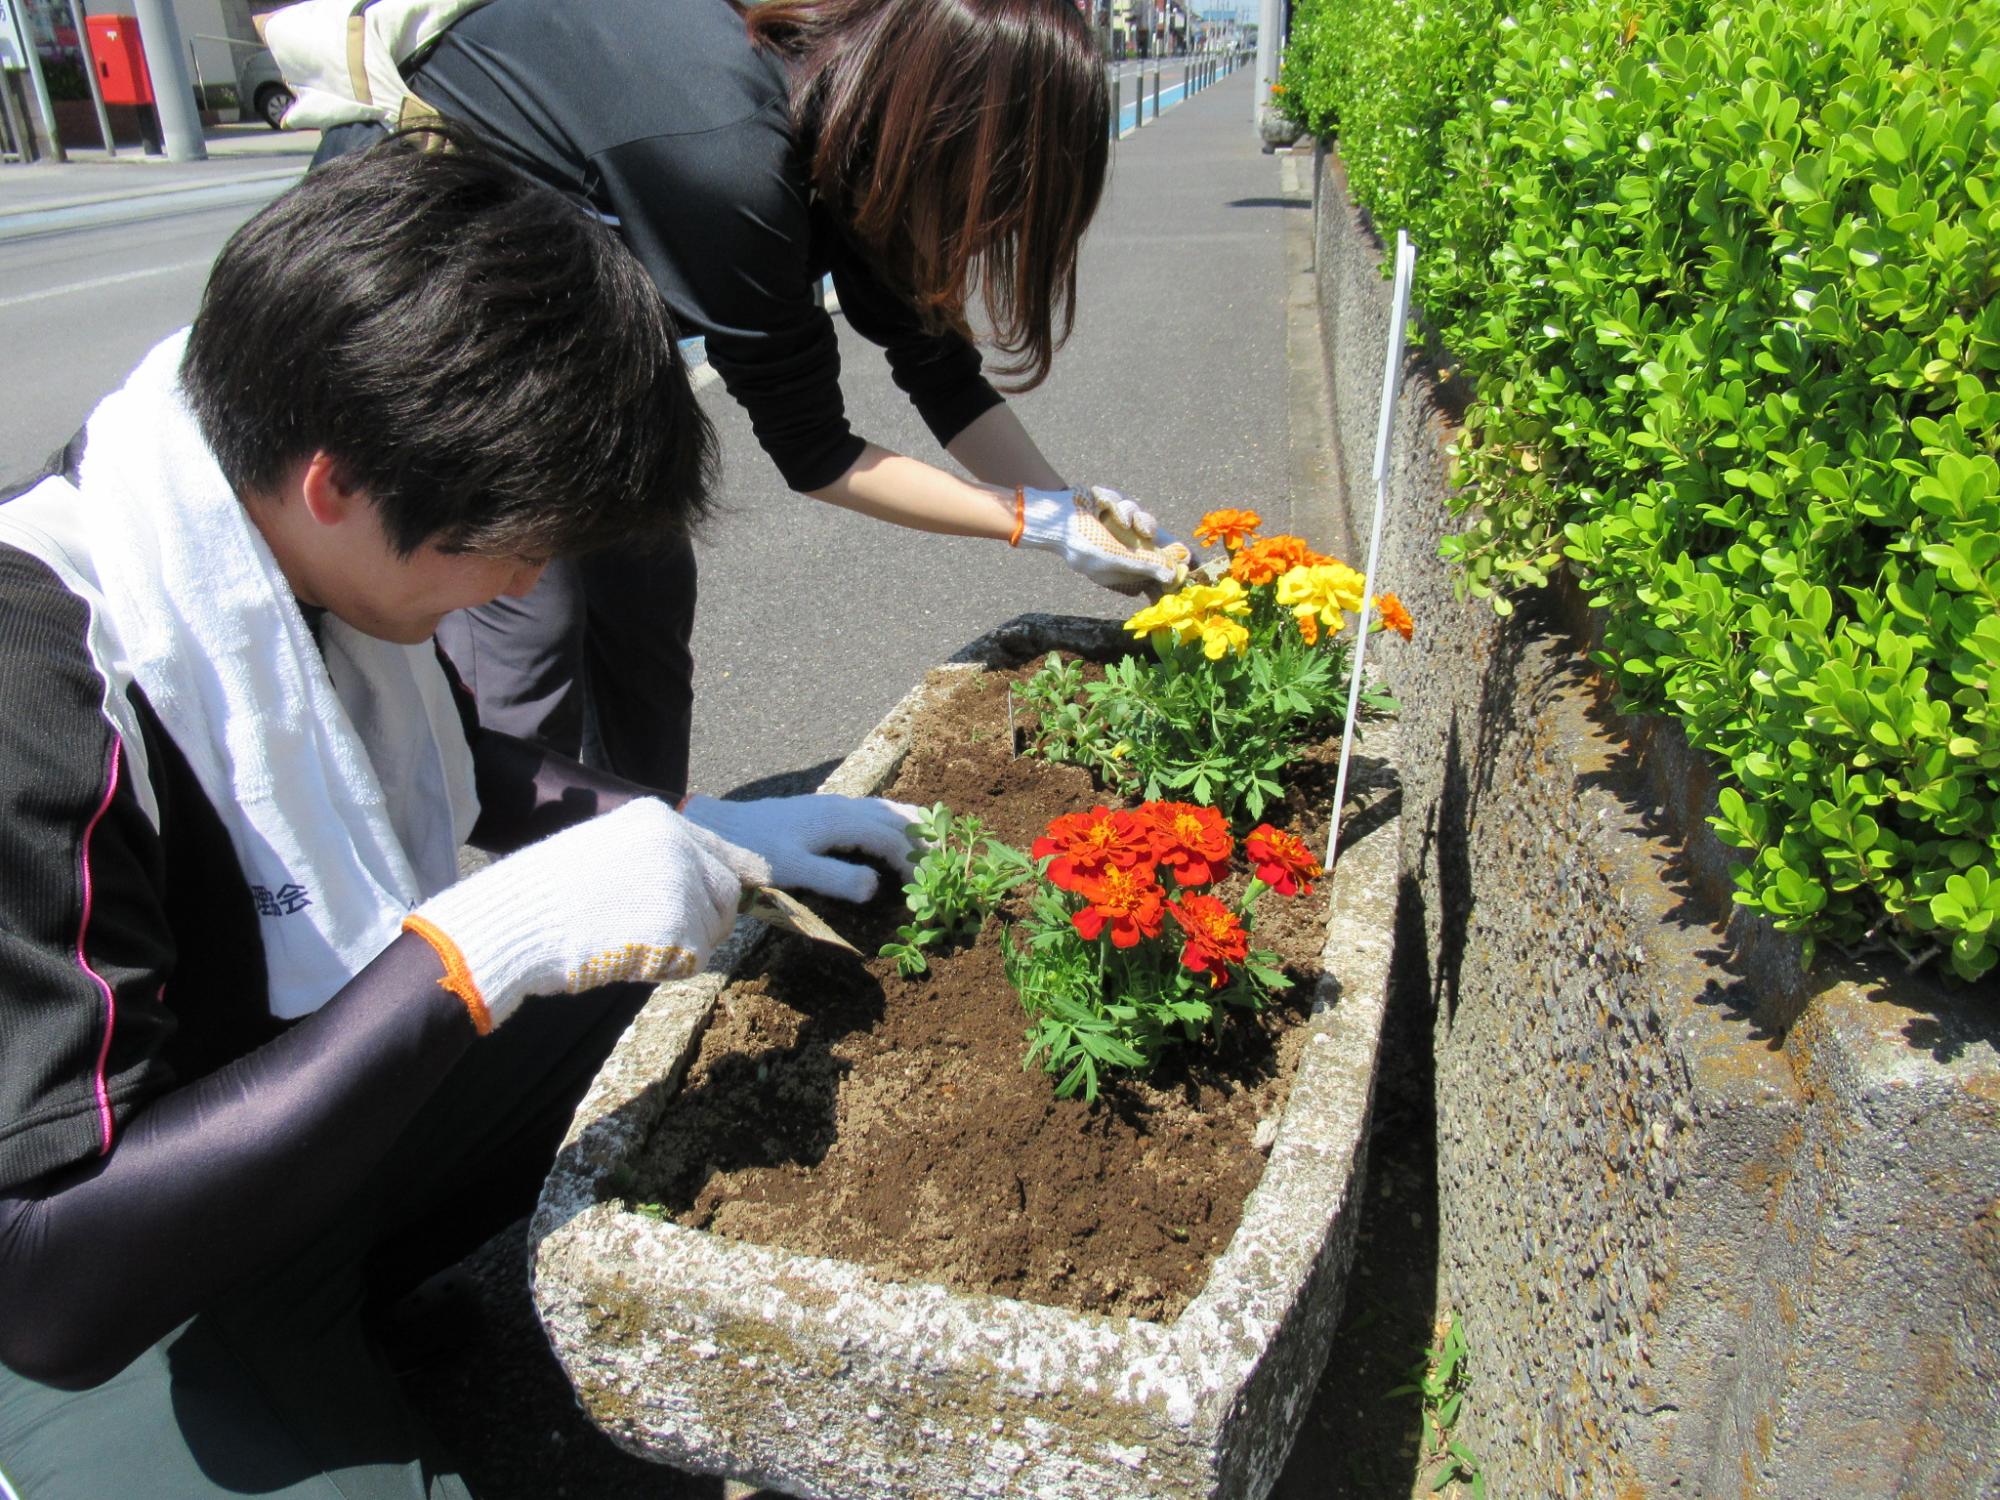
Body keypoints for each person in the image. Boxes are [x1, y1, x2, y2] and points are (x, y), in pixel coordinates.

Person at [0, 134, 917, 1499]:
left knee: (656, 970)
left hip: (243, 1148)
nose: (527, 579)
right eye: (509, 544)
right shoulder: (45, 697)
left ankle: (343, 1301)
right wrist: (462, 959)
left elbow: (443, 755)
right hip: (95, 1299)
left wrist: (695, 828)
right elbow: (49, 1289)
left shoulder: (257, 506)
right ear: (336, 488)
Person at [267, 0, 1187, 798]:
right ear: (939, 136)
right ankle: (543, 919)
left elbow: (937, 368)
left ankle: (647, 858)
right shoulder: (730, 155)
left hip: (581, 298)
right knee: (526, 618)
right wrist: (1032, 522)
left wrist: (1072, 514)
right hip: (441, 276)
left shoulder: (853, 133)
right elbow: (817, 455)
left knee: (646, 585)